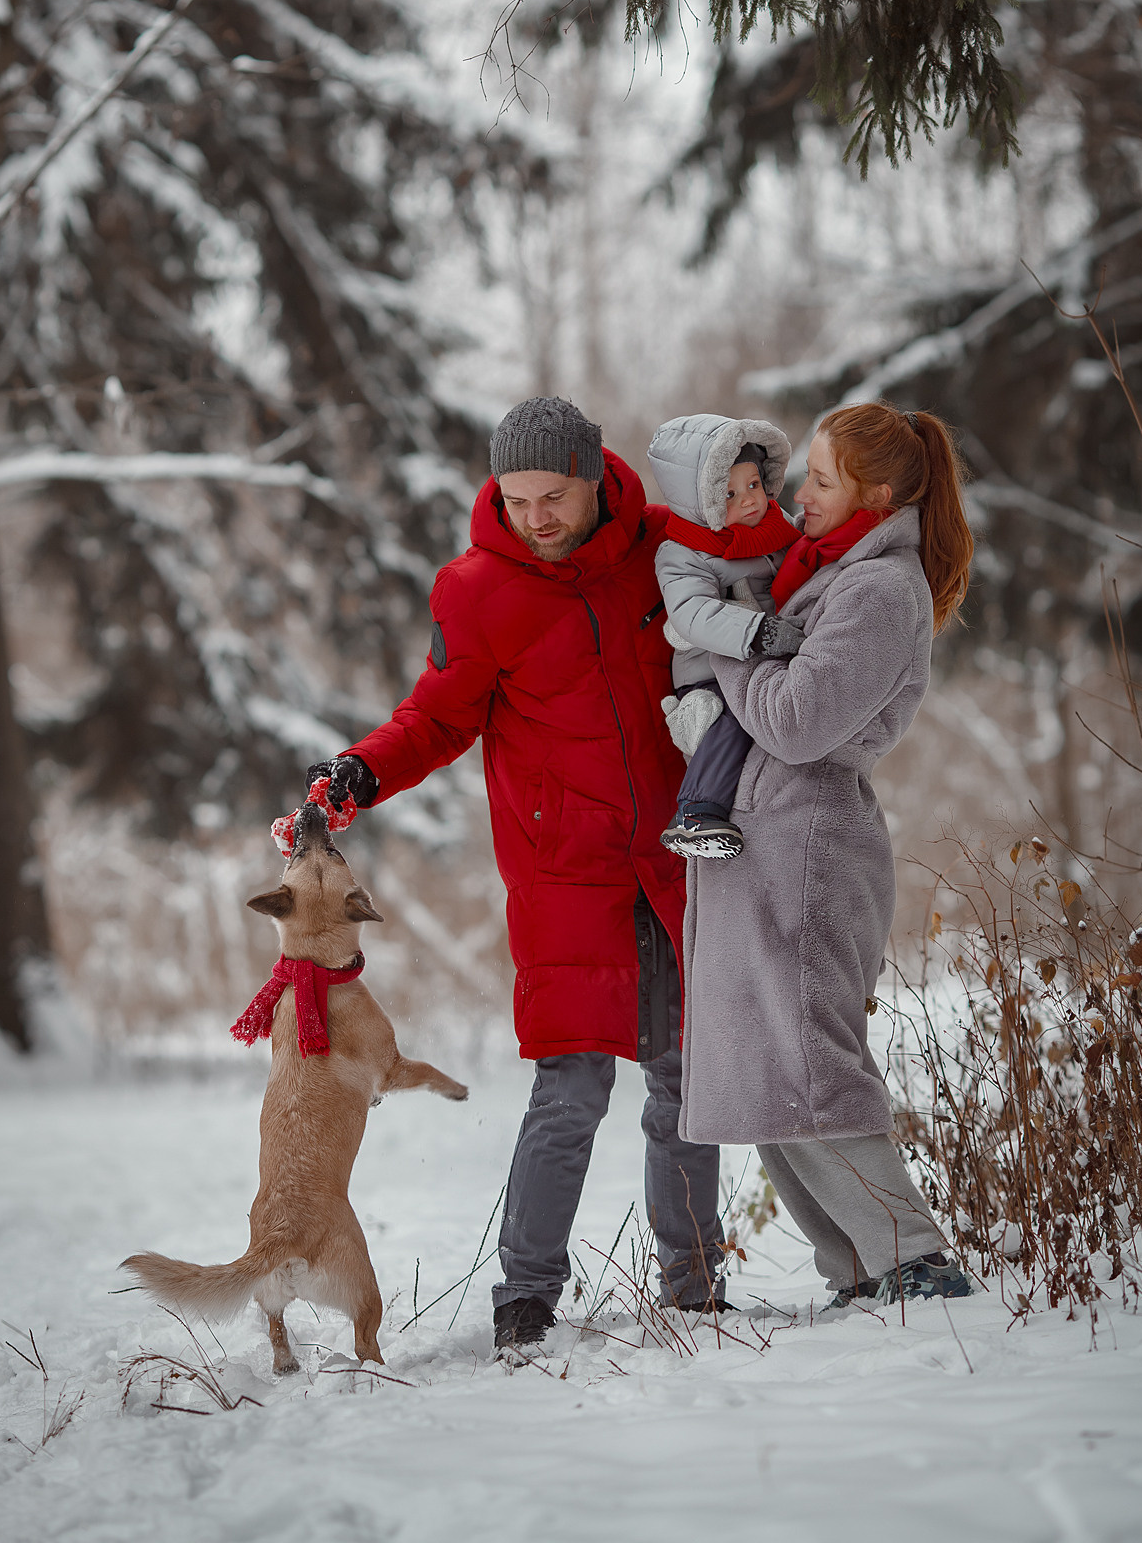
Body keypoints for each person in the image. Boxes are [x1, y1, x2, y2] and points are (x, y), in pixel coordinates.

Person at [307, 397, 727, 1353]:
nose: (535, 516)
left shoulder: (661, 550)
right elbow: (438, 715)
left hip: (678, 857)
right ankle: (527, 1294)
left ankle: (695, 1287)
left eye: (552, 495)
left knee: (685, 1077)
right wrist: (363, 769)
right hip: (564, 872)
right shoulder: (476, 589)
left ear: (593, 475)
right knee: (572, 1089)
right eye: (515, 496)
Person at [679, 402, 975, 1307]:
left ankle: (914, 1257)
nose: (798, 493)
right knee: (767, 1070)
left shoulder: (880, 591)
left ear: (877, 495)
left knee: (808, 1058)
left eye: (821, 479)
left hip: (808, 846)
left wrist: (718, 638)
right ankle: (857, 1267)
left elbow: (799, 721)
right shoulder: (825, 575)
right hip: (759, 840)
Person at [647, 413, 805, 860]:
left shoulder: (779, 529)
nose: (749, 500)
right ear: (702, 502)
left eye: (753, 484)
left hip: (766, 654)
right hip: (710, 670)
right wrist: (758, 632)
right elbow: (692, 612)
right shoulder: (681, 552)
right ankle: (696, 811)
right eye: (730, 494)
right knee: (736, 718)